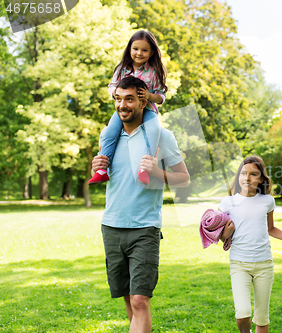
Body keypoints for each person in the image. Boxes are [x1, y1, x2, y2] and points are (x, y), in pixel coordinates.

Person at [92, 76, 189, 333]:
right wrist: (97, 166)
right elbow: (113, 175)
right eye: (118, 99)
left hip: (144, 227)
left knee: (140, 299)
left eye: (129, 99)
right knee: (128, 298)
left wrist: (157, 173)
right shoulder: (108, 135)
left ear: (143, 100)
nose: (122, 105)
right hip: (112, 226)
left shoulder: (162, 137)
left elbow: (184, 178)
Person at [217, 156, 282, 333]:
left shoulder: (267, 201)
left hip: (264, 265)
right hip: (239, 264)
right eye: (243, 173)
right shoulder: (228, 202)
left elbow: (271, 228)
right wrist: (226, 233)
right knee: (243, 312)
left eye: (253, 174)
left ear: (261, 178)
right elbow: (216, 233)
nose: (247, 178)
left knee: (262, 317)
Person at [89, 30, 168, 185]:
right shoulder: (122, 69)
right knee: (111, 131)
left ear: (152, 52)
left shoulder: (154, 72)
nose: (139, 53)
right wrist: (119, 96)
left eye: (144, 50)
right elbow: (112, 86)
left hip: (147, 110)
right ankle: (102, 170)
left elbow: (161, 96)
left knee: (153, 131)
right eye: (135, 49)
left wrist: (148, 96)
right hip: (126, 110)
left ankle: (144, 169)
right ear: (129, 49)